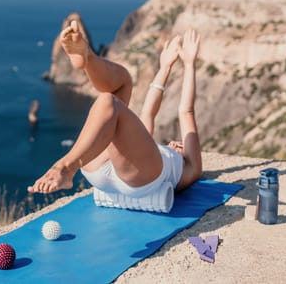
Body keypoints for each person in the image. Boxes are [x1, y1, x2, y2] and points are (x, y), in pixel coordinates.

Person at [27, 20, 202, 196]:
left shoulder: (188, 169)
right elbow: (149, 112)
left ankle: (65, 168)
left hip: (139, 179)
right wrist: (165, 67)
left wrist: (189, 64)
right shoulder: (149, 150)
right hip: (105, 166)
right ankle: (89, 59)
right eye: (178, 143)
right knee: (124, 82)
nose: (175, 143)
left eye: (179, 146)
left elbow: (186, 111)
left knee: (108, 102)